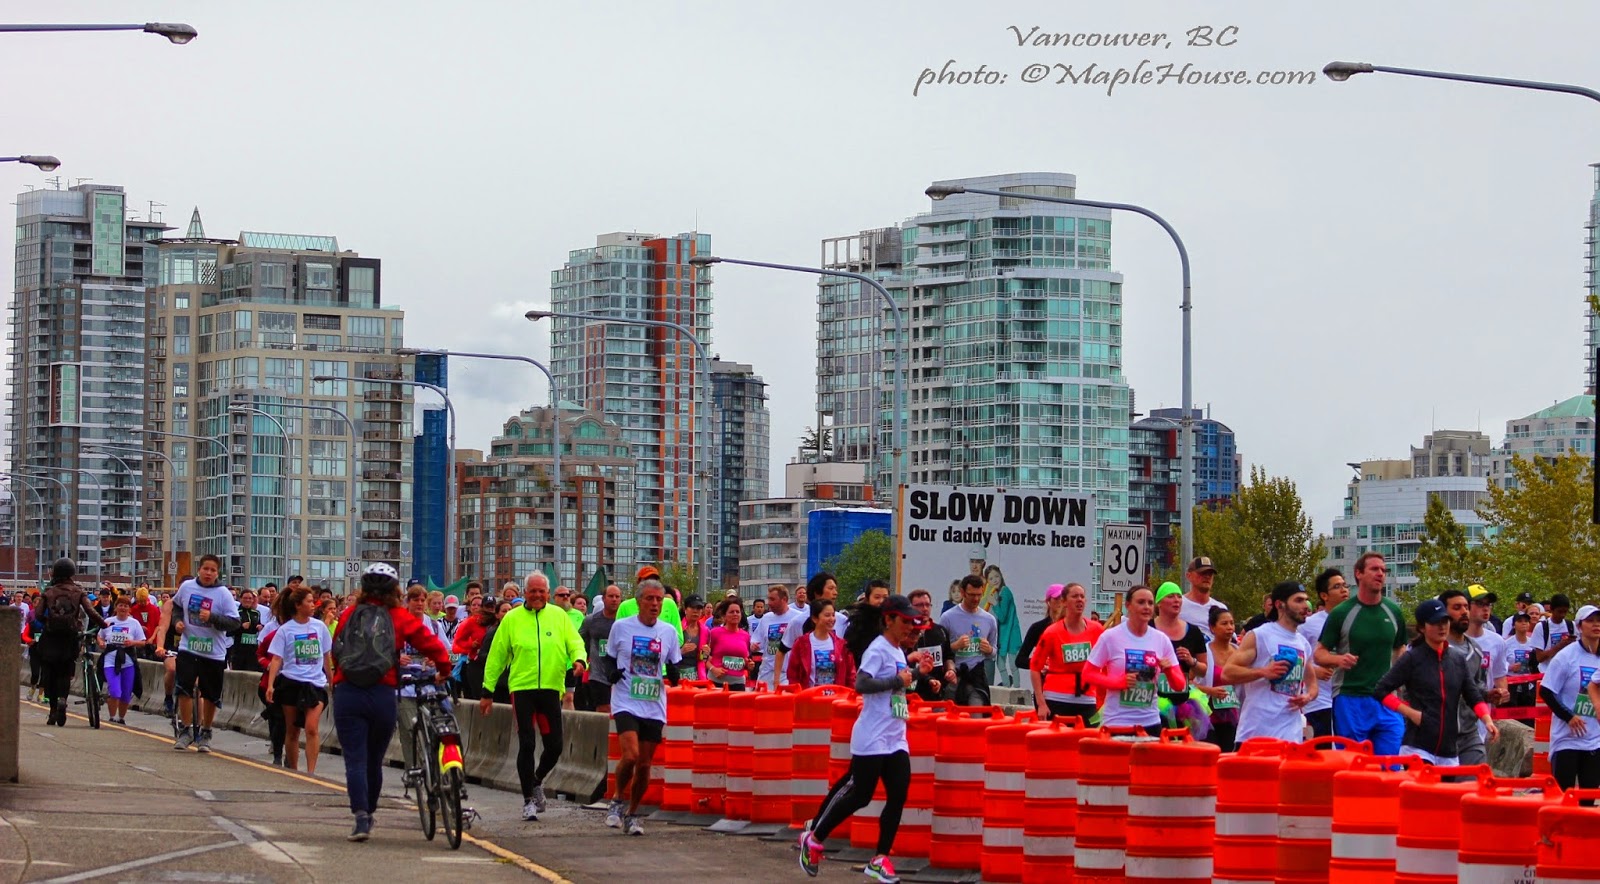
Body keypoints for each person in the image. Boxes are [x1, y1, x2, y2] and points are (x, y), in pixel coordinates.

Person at [799, 594, 927, 884]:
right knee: (861, 794)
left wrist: (917, 673)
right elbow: (862, 684)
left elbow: (898, 685)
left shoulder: (895, 651)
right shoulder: (879, 649)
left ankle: (880, 858)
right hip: (871, 736)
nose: (909, 627)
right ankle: (815, 838)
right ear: (889, 620)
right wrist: (899, 680)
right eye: (904, 622)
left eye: (911, 622)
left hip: (895, 737)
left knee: (898, 795)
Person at [331, 562, 451, 842]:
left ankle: (361, 817)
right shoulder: (398, 616)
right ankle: (370, 810)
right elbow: (431, 644)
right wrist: (443, 670)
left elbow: (337, 649)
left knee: (355, 760)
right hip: (382, 693)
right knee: (374, 759)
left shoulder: (350, 614)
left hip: (348, 692)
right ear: (395, 590)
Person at [480, 572, 588, 822]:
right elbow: (496, 657)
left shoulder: (559, 616)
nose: (538, 595)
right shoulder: (513, 619)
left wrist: (579, 659)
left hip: (551, 687)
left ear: (548, 594)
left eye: (542, 591)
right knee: (527, 743)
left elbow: (575, 642)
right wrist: (487, 691)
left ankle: (536, 780)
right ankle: (528, 799)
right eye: (533, 591)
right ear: (525, 594)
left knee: (555, 746)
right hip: (522, 688)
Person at [1373, 598, 1499, 766]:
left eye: (1445, 621)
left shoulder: (1457, 659)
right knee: (1424, 790)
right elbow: (1381, 690)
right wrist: (1410, 713)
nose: (1442, 627)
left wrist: (1487, 720)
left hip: (1448, 749)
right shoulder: (1412, 658)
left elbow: (1473, 695)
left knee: (1452, 791)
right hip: (1417, 747)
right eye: (1435, 623)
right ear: (1422, 628)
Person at [603, 578, 683, 837]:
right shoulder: (622, 627)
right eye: (649, 599)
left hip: (653, 702)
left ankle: (632, 813)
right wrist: (611, 673)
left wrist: (673, 673)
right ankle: (616, 800)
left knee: (646, 764)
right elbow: (609, 659)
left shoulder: (668, 632)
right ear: (638, 602)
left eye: (659, 600)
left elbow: (674, 665)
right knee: (631, 755)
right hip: (626, 699)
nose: (655, 604)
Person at [1316, 552, 1407, 756]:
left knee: (1390, 765)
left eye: (1383, 570)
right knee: (1355, 764)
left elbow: (1400, 648)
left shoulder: (1393, 611)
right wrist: (1339, 659)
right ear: (1359, 574)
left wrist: (1399, 677)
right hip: (1350, 696)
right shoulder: (1342, 612)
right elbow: (1319, 654)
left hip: (1386, 699)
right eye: (1374, 569)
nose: (1380, 574)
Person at [157, 555, 242, 752]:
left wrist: (212, 618)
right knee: (184, 688)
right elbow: (177, 605)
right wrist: (177, 621)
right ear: (199, 569)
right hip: (189, 647)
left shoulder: (223, 594)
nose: (208, 573)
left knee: (211, 695)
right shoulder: (187, 588)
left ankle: (206, 731)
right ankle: (186, 731)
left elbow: (235, 623)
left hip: (213, 652)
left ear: (217, 573)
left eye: (213, 570)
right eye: (206, 569)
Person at [1083, 585, 1185, 736]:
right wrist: (1117, 683)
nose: (1146, 607)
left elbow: (1179, 685)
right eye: (1141, 602)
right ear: (1128, 605)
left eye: (1150, 603)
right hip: (1117, 722)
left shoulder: (1161, 640)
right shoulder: (1110, 637)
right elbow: (1088, 674)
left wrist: (1169, 671)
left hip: (1150, 722)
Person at [1225, 581, 1317, 744]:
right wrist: (1263, 672)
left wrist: (1307, 697)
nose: (1305, 606)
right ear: (1279, 605)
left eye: (1306, 600)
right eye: (1298, 600)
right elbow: (1227, 673)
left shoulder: (1303, 644)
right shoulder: (1260, 635)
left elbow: (1312, 684)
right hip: (1257, 733)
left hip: (1291, 735)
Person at [264, 584, 333, 774]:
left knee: (311, 728)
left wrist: (332, 680)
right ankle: (294, 771)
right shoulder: (286, 630)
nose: (313, 605)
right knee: (292, 730)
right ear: (298, 605)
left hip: (315, 684)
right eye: (309, 601)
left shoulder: (319, 627)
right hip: (291, 683)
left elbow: (326, 656)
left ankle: (311, 772)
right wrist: (270, 685)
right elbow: (277, 658)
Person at [32, 558, 108, 727]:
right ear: (72, 573)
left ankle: (52, 710)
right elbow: (90, 611)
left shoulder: (49, 591)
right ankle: (62, 699)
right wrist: (104, 624)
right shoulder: (78, 591)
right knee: (65, 672)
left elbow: (37, 614)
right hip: (70, 637)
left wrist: (48, 623)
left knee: (50, 673)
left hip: (50, 637)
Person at [1539, 603, 1600, 795]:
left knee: (1588, 798)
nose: (1596, 625)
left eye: (1599, 621)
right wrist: (1569, 716)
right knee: (1562, 797)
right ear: (1580, 626)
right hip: (1567, 739)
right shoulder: (1566, 657)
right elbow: (1547, 692)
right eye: (1590, 621)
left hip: (1595, 739)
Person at [1029, 582, 1103, 724]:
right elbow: (1035, 667)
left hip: (1088, 700)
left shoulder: (1097, 630)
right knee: (1059, 744)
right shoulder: (1052, 632)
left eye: (1082, 596)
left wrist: (1101, 699)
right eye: (1075, 596)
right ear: (1064, 601)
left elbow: (1106, 665)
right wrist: (1041, 704)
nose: (1079, 600)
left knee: (1089, 740)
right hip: (1056, 699)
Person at [1152, 582, 1208, 729]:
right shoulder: (1148, 628)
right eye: (1170, 596)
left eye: (1179, 596)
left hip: (1184, 702)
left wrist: (1192, 661)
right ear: (1159, 603)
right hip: (1153, 700)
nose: (1176, 600)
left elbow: (1203, 670)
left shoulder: (1194, 632)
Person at [1299, 569, 1347, 738]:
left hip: (1347, 698)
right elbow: (1295, 655)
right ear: (1324, 596)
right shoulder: (1308, 624)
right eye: (1337, 587)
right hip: (1320, 700)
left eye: (1344, 585)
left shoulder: (1355, 620)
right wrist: (1313, 670)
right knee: (1324, 752)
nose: (1344, 590)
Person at [1465, 585, 1510, 754]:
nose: (1486, 608)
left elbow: (1499, 676)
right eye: (1480, 604)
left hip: (1483, 716)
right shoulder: (1453, 640)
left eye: (1488, 605)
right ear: (1467, 606)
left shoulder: (1497, 641)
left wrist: (1502, 693)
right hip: (1456, 714)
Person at [941, 574, 998, 706]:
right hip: (954, 676)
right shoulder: (948, 617)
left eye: (979, 594)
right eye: (972, 595)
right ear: (962, 592)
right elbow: (940, 650)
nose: (976, 599)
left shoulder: (989, 620)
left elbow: (994, 651)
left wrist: (989, 649)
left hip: (976, 678)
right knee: (949, 719)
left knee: (976, 718)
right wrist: (955, 646)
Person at [96, 595, 148, 724]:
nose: (123, 608)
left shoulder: (134, 623)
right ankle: (112, 717)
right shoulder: (108, 621)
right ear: (116, 607)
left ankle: (121, 718)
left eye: (126, 606)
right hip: (110, 658)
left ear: (129, 609)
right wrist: (101, 643)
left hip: (128, 660)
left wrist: (132, 642)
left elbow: (142, 642)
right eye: (120, 605)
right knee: (115, 691)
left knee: (126, 693)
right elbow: (99, 636)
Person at [787, 599, 856, 689]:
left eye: (833, 615)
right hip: (809, 699)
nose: (832, 619)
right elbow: (793, 675)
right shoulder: (801, 644)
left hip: (836, 700)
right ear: (815, 618)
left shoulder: (842, 645)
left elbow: (851, 676)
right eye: (827, 615)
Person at [579, 584, 623, 711]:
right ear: (603, 599)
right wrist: (585, 657)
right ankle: (604, 731)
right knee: (603, 709)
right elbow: (579, 640)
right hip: (598, 674)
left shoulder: (625, 622)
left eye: (617, 596)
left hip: (620, 673)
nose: (614, 599)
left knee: (618, 710)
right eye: (611, 596)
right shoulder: (591, 620)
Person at [1201, 607, 1240, 750]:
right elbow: (1188, 683)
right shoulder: (1204, 652)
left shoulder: (1239, 651)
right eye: (1224, 624)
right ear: (1212, 628)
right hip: (1208, 717)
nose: (1229, 628)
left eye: (1232, 623)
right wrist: (1209, 690)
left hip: (1234, 717)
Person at [908, 589, 957, 702]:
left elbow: (948, 656)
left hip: (937, 694)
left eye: (927, 605)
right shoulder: (906, 633)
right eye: (919, 605)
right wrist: (928, 679)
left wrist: (951, 670)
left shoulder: (941, 631)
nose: (924, 609)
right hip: (912, 695)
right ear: (910, 607)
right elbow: (907, 663)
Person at [753, 584, 804, 689]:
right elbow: (756, 640)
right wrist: (753, 646)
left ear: (784, 599)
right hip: (766, 673)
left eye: (773, 599)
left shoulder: (798, 618)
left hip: (787, 673)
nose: (769, 603)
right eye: (768, 599)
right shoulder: (766, 619)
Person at [616, 566, 684, 642]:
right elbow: (618, 636)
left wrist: (656, 644)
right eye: (647, 580)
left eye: (655, 581)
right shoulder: (625, 606)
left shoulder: (670, 604)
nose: (651, 584)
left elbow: (679, 639)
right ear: (638, 582)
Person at [983, 564, 1022, 688]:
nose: (995, 580)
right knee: (1000, 664)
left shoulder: (1005, 592)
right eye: (991, 578)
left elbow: (1003, 616)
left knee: (1013, 664)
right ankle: (1006, 687)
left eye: (996, 576)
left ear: (1001, 576)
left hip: (1010, 634)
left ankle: (1016, 689)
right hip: (1002, 636)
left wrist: (994, 603)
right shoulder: (995, 593)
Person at [1016, 583, 1066, 679]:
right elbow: (1020, 660)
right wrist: (1041, 663)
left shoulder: (1072, 627)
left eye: (1063, 599)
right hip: (1044, 684)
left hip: (1067, 684)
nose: (1060, 602)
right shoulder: (1037, 627)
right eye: (1056, 598)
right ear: (1048, 602)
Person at [451, 595, 496, 700]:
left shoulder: (497, 621)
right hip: (475, 664)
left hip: (493, 663)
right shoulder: (471, 621)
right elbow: (457, 642)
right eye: (486, 606)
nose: (489, 609)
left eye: (492, 607)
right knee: (476, 696)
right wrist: (471, 646)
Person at [705, 597, 753, 689]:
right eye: (731, 612)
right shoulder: (715, 633)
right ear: (724, 615)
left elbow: (745, 659)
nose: (735, 614)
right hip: (716, 683)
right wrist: (713, 669)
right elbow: (703, 657)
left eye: (737, 612)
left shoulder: (746, 635)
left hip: (738, 683)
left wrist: (749, 665)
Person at [1180, 556, 1226, 639]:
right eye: (1202, 573)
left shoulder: (1221, 608)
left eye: (1210, 574)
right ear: (1188, 576)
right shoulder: (1179, 605)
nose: (1207, 577)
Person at [1535, 593, 1578, 667]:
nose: (1563, 615)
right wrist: (1560, 645)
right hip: (1547, 671)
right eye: (1560, 611)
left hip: (1566, 670)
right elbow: (1539, 658)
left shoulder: (1571, 625)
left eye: (1565, 612)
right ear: (1551, 609)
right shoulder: (1542, 627)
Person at [229, 589, 265, 673]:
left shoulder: (256, 613)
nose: (247, 600)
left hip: (253, 651)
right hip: (239, 651)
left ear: (253, 600)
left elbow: (258, 627)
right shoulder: (236, 613)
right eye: (245, 598)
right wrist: (241, 627)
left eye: (250, 598)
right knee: (238, 675)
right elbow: (229, 632)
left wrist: (260, 627)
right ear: (240, 599)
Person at [678, 595, 707, 681]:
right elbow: (667, 655)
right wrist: (681, 651)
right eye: (692, 607)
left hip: (697, 677)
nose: (695, 611)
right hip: (678, 674)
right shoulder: (677, 628)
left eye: (698, 608)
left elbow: (702, 658)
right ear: (685, 609)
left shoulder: (705, 631)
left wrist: (705, 654)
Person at [129, 586, 162, 660]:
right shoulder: (134, 609)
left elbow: (158, 626)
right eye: (140, 601)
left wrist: (152, 638)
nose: (142, 603)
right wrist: (140, 627)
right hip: (139, 642)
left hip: (152, 641)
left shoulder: (154, 609)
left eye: (144, 601)